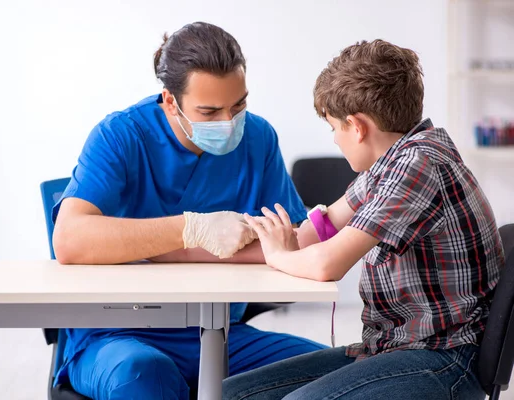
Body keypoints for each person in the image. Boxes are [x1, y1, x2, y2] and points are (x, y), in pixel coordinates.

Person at [51, 21, 325, 400]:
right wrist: (190, 230)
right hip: (116, 336)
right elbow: (70, 240)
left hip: (218, 332)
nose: (228, 123)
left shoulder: (258, 138)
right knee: (145, 377)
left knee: (336, 375)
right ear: (170, 101)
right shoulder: (120, 136)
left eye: (239, 104)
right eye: (209, 111)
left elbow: (294, 245)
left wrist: (149, 249)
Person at [223, 39, 505, 400]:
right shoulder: (388, 163)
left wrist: (279, 255)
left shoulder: (418, 165)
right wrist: (272, 236)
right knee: (229, 394)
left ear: (356, 126)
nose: (336, 140)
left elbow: (326, 263)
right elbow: (322, 228)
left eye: (333, 128)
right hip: (395, 347)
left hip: (445, 356)